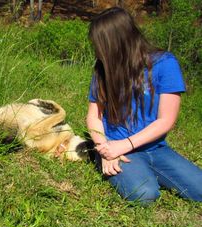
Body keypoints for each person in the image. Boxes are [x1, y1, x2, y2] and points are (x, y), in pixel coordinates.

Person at [86, 7, 202, 204]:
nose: (97, 51)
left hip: (155, 148)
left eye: (100, 45)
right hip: (115, 147)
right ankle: (141, 175)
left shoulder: (165, 64)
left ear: (116, 43)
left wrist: (126, 144)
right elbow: (94, 115)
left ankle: (149, 171)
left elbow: (166, 120)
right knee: (144, 194)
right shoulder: (102, 69)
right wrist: (104, 148)